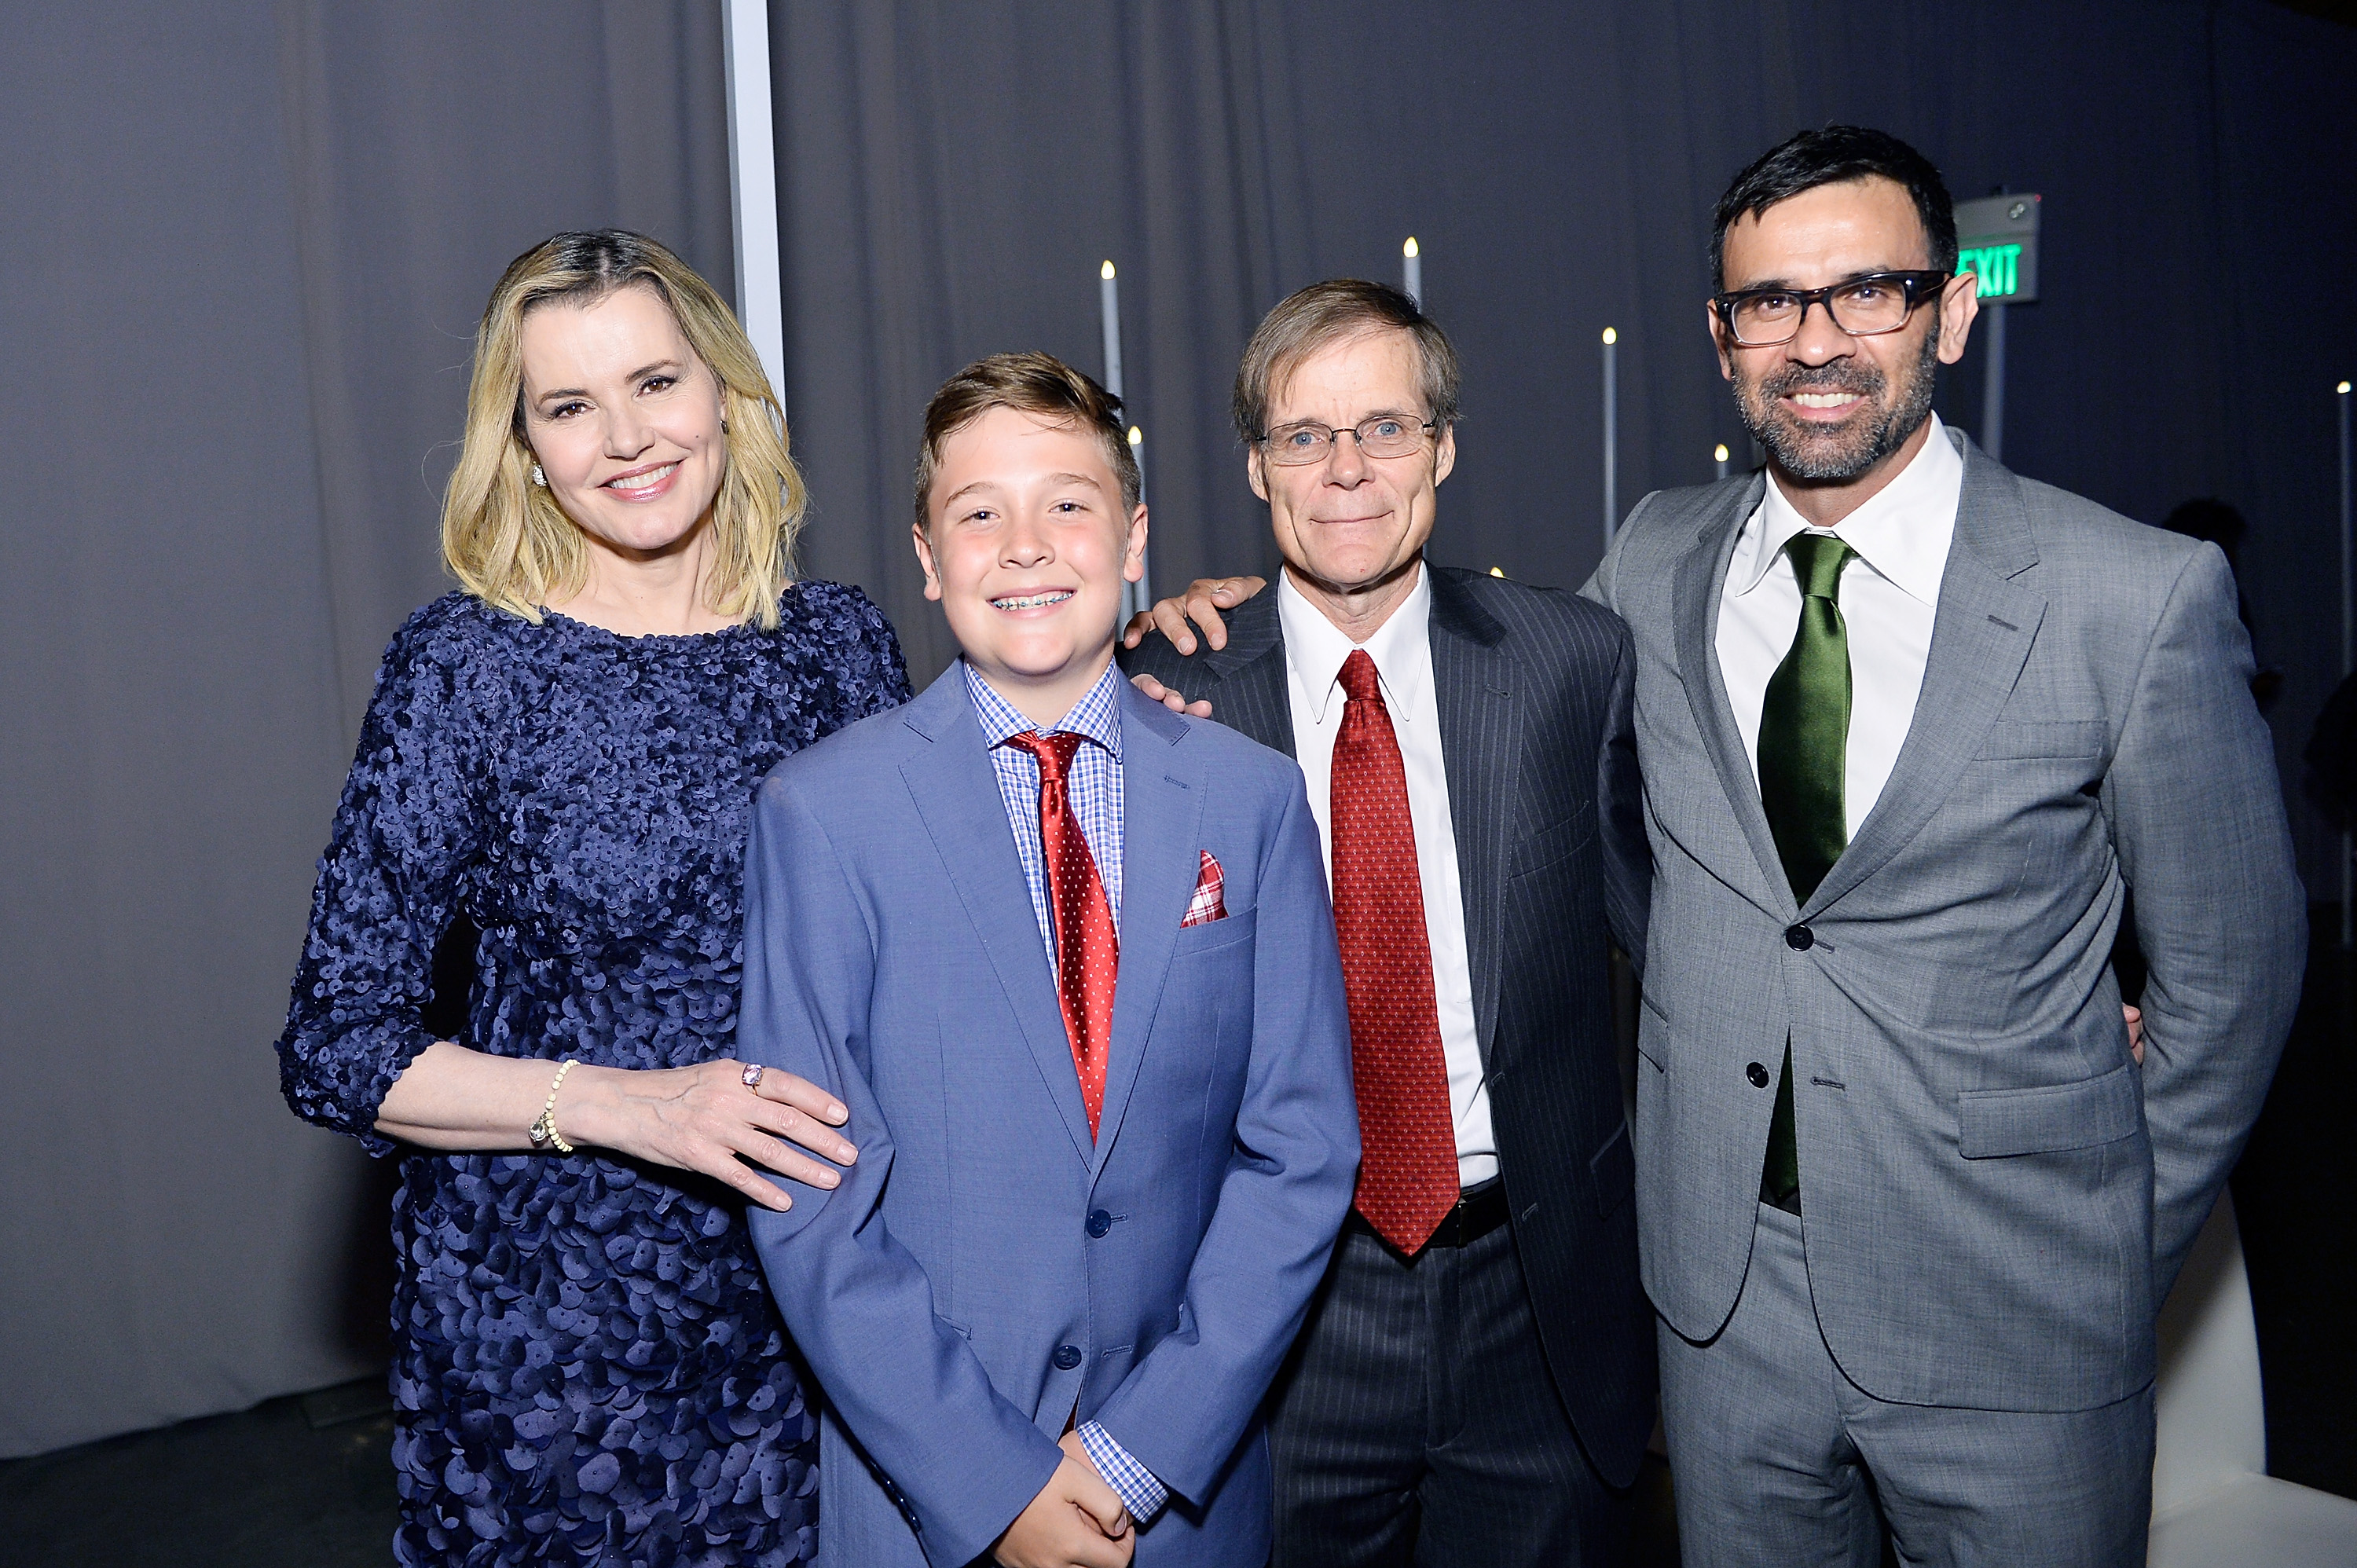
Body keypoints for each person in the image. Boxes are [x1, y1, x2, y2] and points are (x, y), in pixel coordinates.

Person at [1580, 127, 2299, 1565]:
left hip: (2016, 1314)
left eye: (1870, 292)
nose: (1817, 341)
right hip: (1726, 1313)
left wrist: (2104, 1252)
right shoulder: (1652, 559)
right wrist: (1236, 633)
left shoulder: (2132, 596)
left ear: (1952, 312)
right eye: (1769, 302)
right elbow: (1529, 752)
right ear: (1721, 341)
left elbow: (2233, 976)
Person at [276, 230, 901, 1566]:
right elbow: (338, 1046)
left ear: (725, 390)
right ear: (527, 445)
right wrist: (628, 1107)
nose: (626, 436)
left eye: (656, 383)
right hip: (555, 1343)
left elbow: (947, 919)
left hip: (822, 1302)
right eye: (571, 405)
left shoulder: (840, 645)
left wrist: (1148, 675)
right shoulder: (469, 670)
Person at [738, 353, 1359, 1568]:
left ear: (1134, 538)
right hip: (929, 1499)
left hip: (1182, 1495)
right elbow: (808, 1195)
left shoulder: (1251, 799)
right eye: (980, 513)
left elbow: (1301, 1151)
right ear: (927, 556)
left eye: (1068, 503)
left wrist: (1135, 1456)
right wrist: (997, 1483)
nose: (1026, 545)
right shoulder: (823, 815)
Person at [1121, 282, 1653, 1566]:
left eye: (1387, 429)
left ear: (1445, 449)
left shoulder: (1574, 663)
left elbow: (1694, 940)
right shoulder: (1161, 694)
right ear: (1256, 466)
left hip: (1535, 1299)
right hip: (1280, 1313)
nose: (1348, 469)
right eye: (1305, 436)